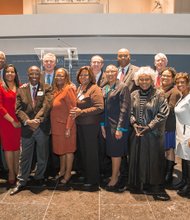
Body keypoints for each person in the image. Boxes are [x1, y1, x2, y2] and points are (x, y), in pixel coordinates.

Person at [128, 66, 169, 200]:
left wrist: (149, 127)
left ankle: (153, 186)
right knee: (138, 159)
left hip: (153, 134)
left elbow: (162, 114)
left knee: (153, 160)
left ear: (152, 80)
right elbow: (130, 112)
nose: (144, 82)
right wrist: (133, 123)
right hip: (137, 133)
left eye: (147, 79)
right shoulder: (133, 94)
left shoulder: (160, 94)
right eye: (141, 79)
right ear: (137, 81)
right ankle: (138, 185)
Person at [10, 66, 52, 195]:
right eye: (31, 73)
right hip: (27, 128)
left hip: (41, 127)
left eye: (36, 73)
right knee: (25, 156)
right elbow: (18, 109)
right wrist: (28, 121)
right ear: (27, 75)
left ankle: (39, 177)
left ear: (40, 75)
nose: (34, 75)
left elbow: (47, 105)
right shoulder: (21, 89)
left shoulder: (47, 88)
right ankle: (21, 181)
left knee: (42, 155)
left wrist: (37, 121)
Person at [70, 66, 104, 192]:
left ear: (91, 76)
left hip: (90, 126)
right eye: (81, 75)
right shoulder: (79, 88)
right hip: (80, 125)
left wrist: (81, 112)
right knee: (83, 152)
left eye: (86, 75)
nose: (83, 77)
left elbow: (100, 107)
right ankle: (86, 175)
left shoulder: (95, 88)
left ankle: (93, 181)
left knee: (91, 153)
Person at [101, 65, 130, 192]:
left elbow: (125, 109)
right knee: (112, 152)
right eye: (108, 71)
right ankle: (116, 174)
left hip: (117, 126)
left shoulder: (122, 87)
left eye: (113, 71)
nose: (110, 73)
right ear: (105, 73)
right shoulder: (105, 87)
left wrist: (120, 128)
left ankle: (114, 179)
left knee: (115, 153)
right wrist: (102, 125)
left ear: (117, 72)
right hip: (107, 125)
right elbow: (103, 108)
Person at [51, 68, 76, 184]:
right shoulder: (57, 90)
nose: (59, 77)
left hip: (66, 127)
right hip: (57, 127)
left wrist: (68, 128)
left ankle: (68, 174)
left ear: (66, 77)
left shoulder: (69, 89)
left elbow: (73, 110)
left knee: (68, 151)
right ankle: (62, 171)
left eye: (61, 75)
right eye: (57, 75)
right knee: (61, 150)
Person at [0, 64, 21, 185]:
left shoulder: (20, 87)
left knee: (17, 147)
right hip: (6, 121)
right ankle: (11, 172)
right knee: (8, 148)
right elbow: (0, 107)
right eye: (7, 72)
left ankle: (18, 171)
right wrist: (12, 121)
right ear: (4, 73)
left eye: (12, 72)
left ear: (15, 74)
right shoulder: (1, 87)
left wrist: (18, 120)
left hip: (18, 122)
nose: (10, 74)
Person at [160, 67, 181, 185]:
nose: (165, 77)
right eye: (163, 75)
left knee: (169, 150)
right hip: (160, 126)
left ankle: (168, 175)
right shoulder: (159, 89)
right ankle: (163, 172)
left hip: (169, 126)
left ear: (173, 79)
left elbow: (170, 108)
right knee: (163, 150)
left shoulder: (174, 92)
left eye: (168, 76)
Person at [174, 72, 190, 197]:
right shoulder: (182, 97)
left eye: (182, 82)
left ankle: (189, 188)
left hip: (188, 134)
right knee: (184, 160)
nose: (179, 84)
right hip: (181, 133)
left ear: (188, 83)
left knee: (189, 161)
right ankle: (184, 181)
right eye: (178, 82)